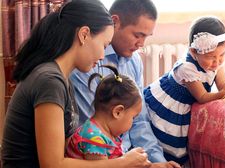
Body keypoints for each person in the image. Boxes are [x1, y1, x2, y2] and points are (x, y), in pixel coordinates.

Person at [1, 0, 151, 167]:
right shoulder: (49, 81)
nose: (103, 56)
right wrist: (122, 163)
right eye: (104, 45)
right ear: (84, 35)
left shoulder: (61, 78)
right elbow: (53, 165)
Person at [70, 0, 180, 167]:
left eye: (146, 37)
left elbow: (140, 121)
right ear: (115, 22)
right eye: (138, 35)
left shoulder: (134, 61)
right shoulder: (87, 64)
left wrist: (157, 162)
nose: (142, 44)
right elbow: (96, 127)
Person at [144, 16, 225, 165]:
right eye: (211, 57)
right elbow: (202, 97)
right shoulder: (187, 68)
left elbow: (223, 85)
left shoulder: (214, 63)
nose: (217, 62)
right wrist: (224, 92)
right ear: (193, 52)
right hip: (171, 103)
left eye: (222, 54)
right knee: (169, 143)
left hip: (187, 101)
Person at [66, 65, 143, 160]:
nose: (132, 122)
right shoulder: (95, 138)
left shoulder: (106, 134)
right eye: (133, 117)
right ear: (117, 112)